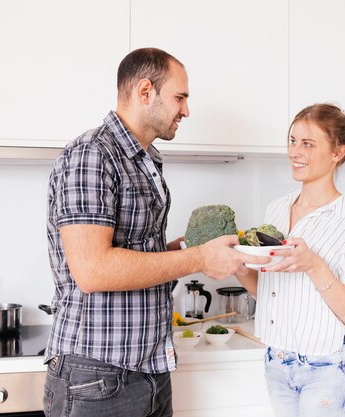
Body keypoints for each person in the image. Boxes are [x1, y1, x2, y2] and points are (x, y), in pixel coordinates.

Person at [43, 47, 268, 417]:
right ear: (145, 92)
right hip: (98, 375)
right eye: (180, 97)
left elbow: (129, 252)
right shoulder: (92, 154)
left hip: (148, 368)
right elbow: (93, 270)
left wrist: (178, 249)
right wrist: (197, 258)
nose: (186, 110)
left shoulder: (146, 161)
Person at [236, 103, 345, 417]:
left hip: (327, 371)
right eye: (292, 140)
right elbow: (273, 292)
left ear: (338, 152)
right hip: (277, 364)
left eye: (308, 144)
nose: (295, 151)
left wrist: (313, 263)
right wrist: (239, 267)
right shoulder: (277, 209)